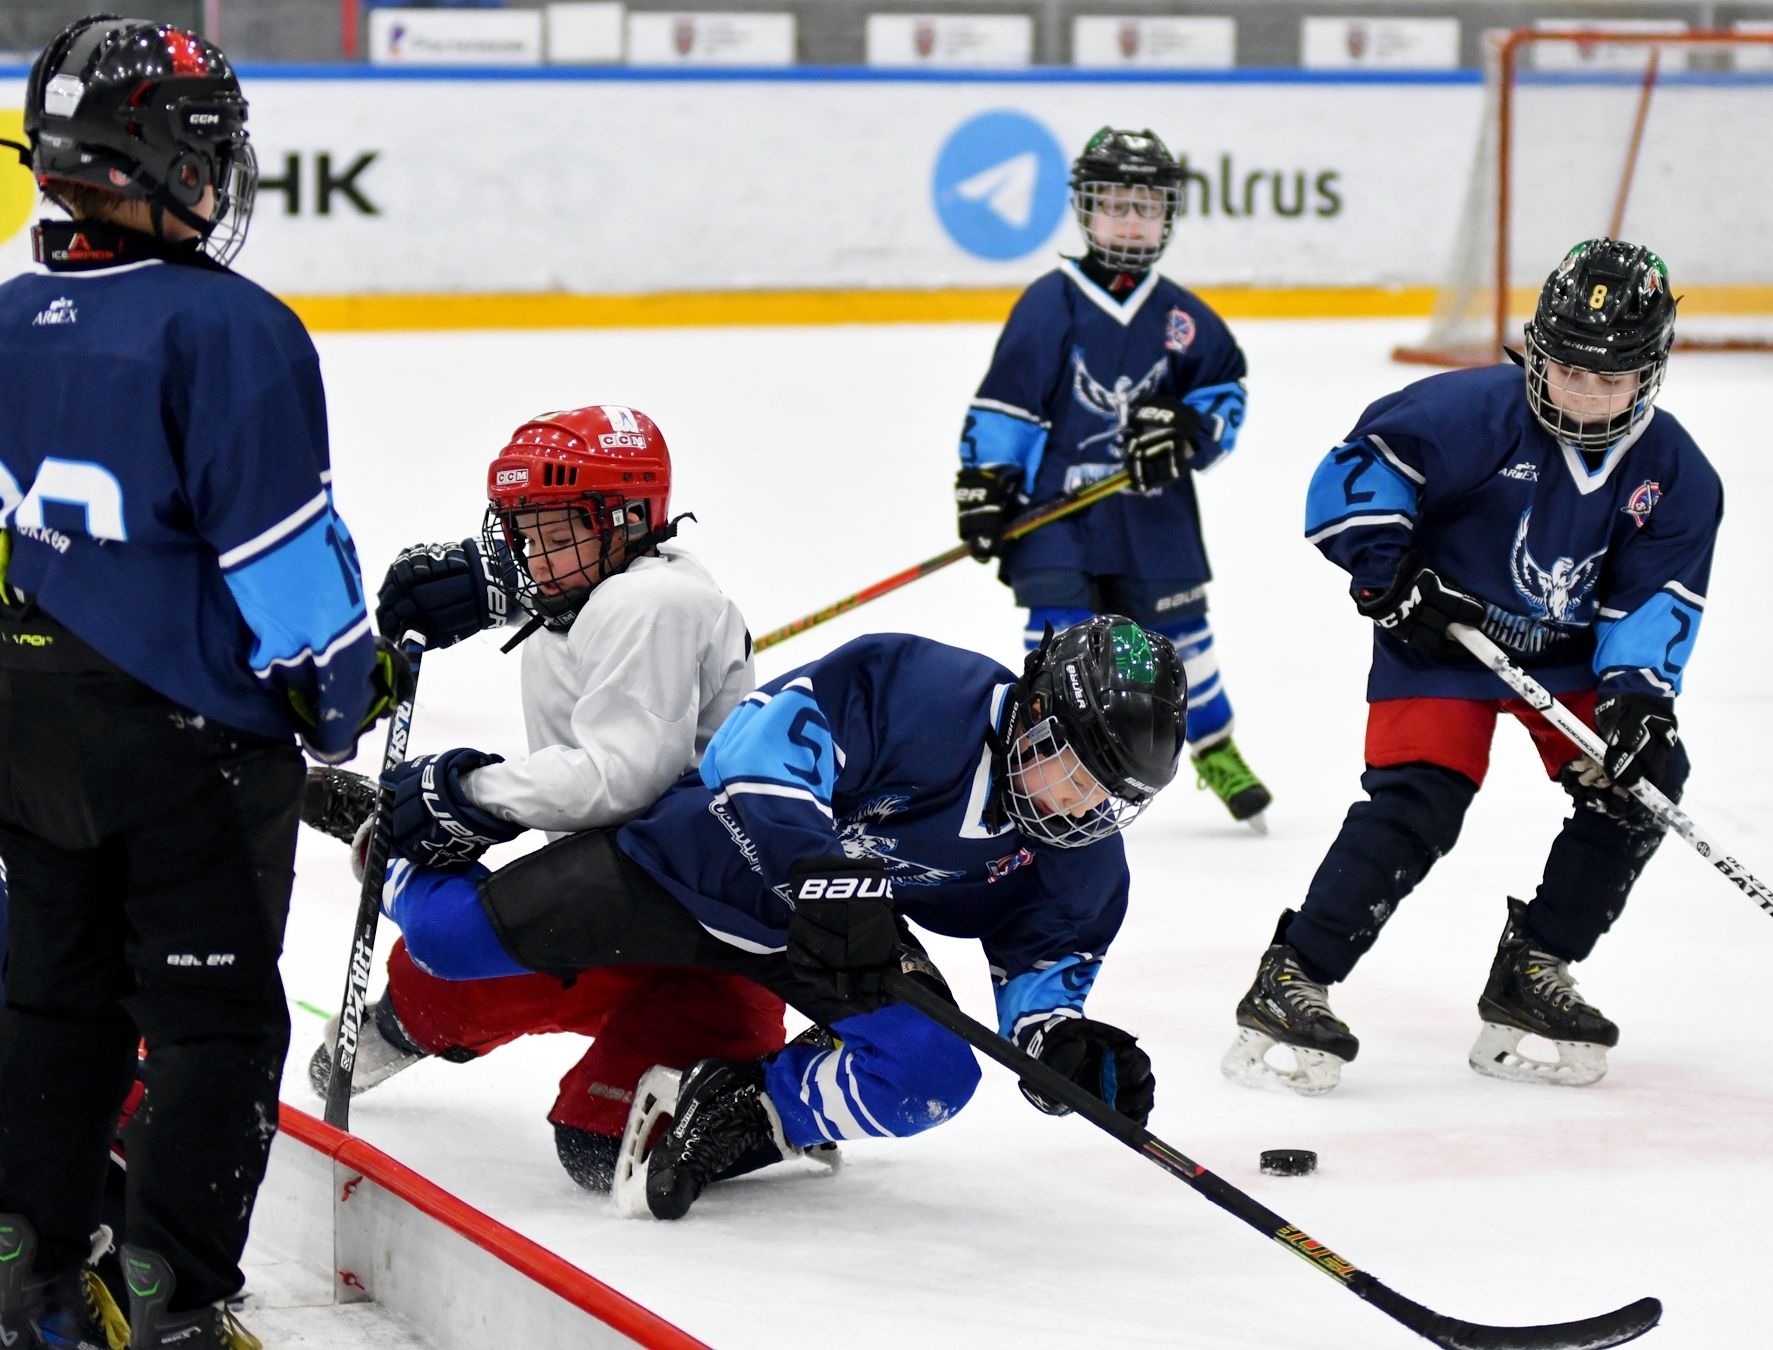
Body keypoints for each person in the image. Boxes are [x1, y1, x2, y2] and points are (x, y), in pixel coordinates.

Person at [0, 18, 404, 1350]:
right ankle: (177, 1301)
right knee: (212, 1024)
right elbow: (284, 565)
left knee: (54, 1001)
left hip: (27, 726)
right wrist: (341, 690)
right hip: (185, 747)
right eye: (208, 146)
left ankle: (27, 1275)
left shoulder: (8, 317)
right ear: (155, 155)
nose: (225, 175)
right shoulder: (231, 328)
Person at [375, 616, 1183, 1219]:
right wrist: (819, 875)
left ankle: (749, 1110)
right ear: (1028, 708)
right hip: (690, 863)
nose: (1080, 811)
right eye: (1066, 769)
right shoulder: (920, 690)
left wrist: (1058, 1046)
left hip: (820, 933)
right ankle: (392, 853)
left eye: (1109, 797)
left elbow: (1042, 961)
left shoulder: (1080, 851)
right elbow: (750, 749)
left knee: (929, 1074)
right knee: (447, 944)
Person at [1222, 239, 1720, 1096]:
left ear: (1652, 371)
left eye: (1611, 380)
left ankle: (1536, 966)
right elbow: (1354, 476)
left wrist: (1637, 699)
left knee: (1642, 780)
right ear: (1536, 348)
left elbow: (1651, 600)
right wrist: (1391, 574)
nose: (1586, 397)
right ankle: (1293, 973)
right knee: (1419, 799)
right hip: (1443, 638)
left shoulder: (1676, 472)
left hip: (1567, 656)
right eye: (1568, 371)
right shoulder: (1469, 413)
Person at [304, 405, 789, 1193]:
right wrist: (500, 590)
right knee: (440, 982)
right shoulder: (604, 583)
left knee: (599, 1145)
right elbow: (574, 604)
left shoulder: (652, 604)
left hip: (712, 938)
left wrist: (467, 794)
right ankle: (399, 1017)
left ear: (630, 520)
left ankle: (767, 1107)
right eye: (524, 534)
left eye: (557, 532)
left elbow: (616, 777)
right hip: (616, 896)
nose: (535, 555)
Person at [953, 127, 1270, 830]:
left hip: (1152, 513)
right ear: (1084, 210)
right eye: (1114, 205)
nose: (1130, 221)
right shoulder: (1050, 301)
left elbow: (1225, 392)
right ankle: (1051, 764)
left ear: (1167, 215)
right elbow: (1005, 402)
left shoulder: (1183, 316)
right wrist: (984, 483)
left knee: (1182, 633)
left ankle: (1214, 748)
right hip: (1055, 511)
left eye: (1145, 207)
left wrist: (1192, 428)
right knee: (1058, 641)